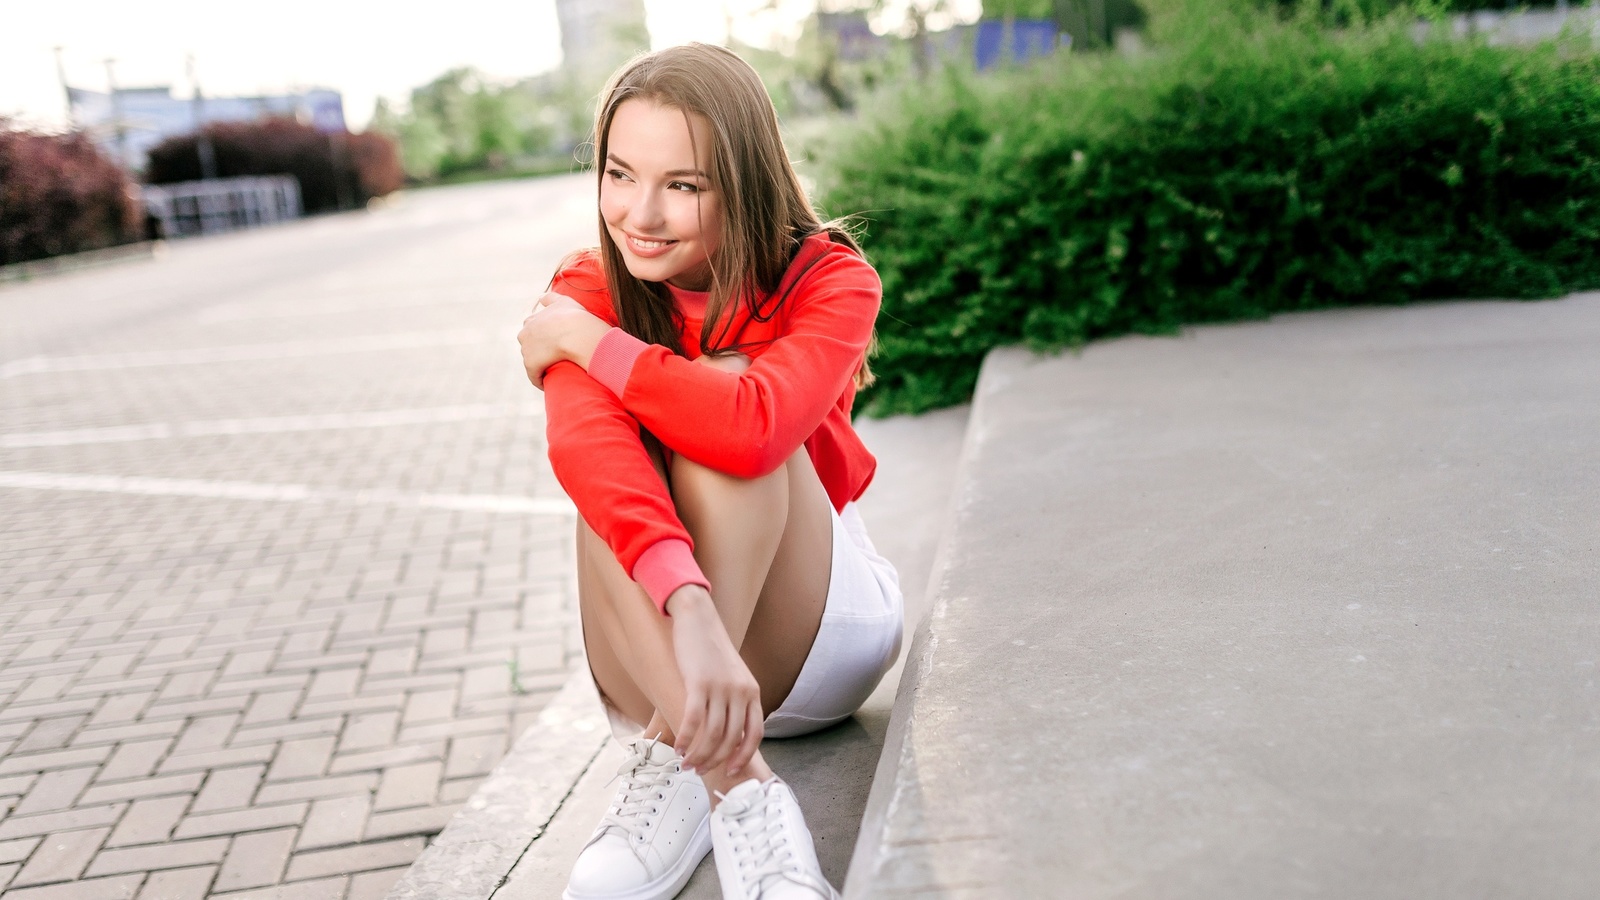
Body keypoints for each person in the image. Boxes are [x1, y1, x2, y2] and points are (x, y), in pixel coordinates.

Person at [517, 42, 903, 900]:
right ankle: (737, 789)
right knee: (608, 479)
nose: (639, 213)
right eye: (620, 174)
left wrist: (588, 343)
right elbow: (588, 451)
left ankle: (683, 757)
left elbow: (754, 431)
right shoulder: (588, 284)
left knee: (727, 401)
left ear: (745, 181)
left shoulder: (830, 280)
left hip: (818, 636)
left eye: (683, 185)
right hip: (672, 643)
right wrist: (688, 607)